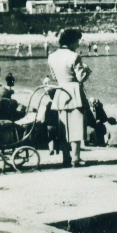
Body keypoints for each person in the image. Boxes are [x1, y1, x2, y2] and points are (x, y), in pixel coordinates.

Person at [47, 28, 92, 167]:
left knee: (63, 128)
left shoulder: (51, 56)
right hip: (74, 93)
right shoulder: (74, 56)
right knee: (76, 127)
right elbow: (80, 78)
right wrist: (87, 70)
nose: (78, 44)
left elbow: (54, 77)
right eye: (77, 41)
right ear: (72, 41)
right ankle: (76, 158)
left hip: (61, 91)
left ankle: (65, 158)